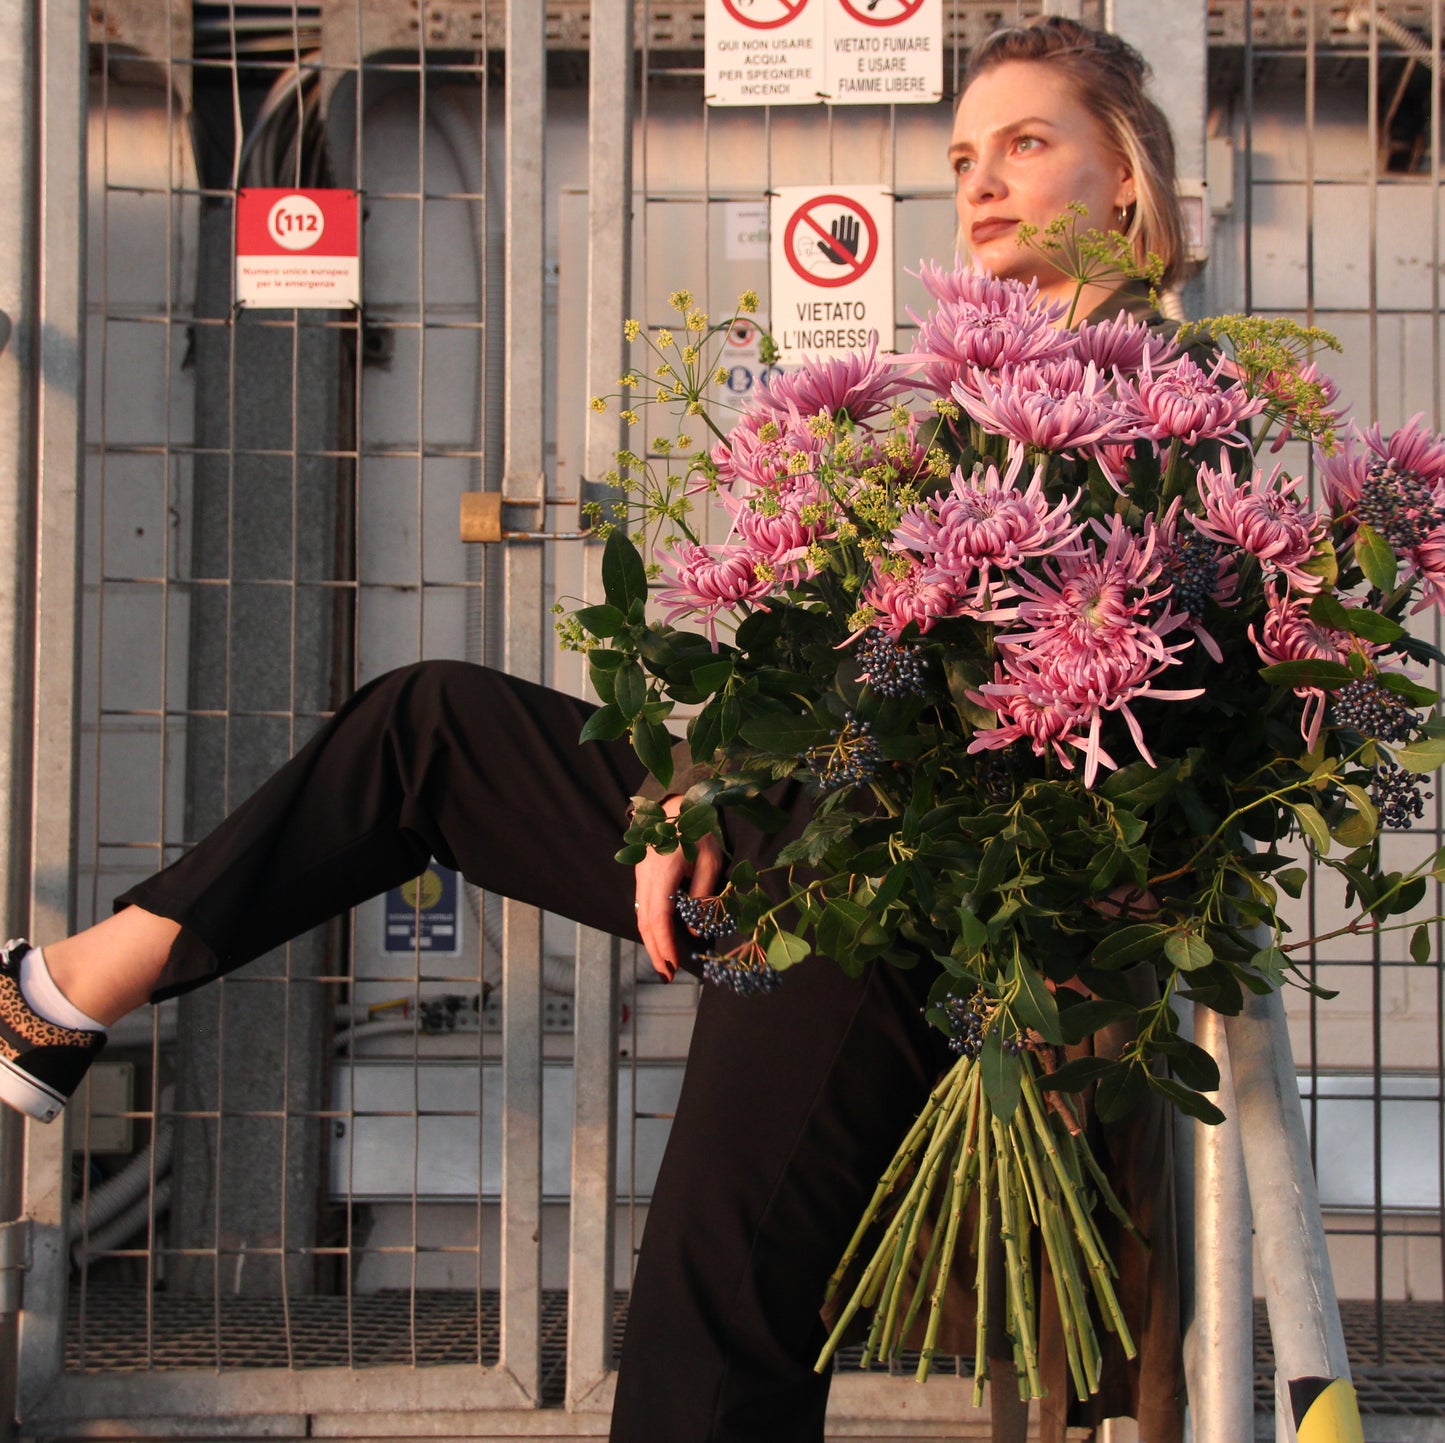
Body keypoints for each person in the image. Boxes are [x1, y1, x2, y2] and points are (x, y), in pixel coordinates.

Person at [0, 16, 1190, 1442]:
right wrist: (695, 781)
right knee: (430, 722)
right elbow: (854, 689)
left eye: (1026, 142)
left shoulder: (1165, 410)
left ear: (1123, 180)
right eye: (960, 155)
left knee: (711, 1331)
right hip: (823, 838)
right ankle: (62, 997)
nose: (982, 180)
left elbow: (1057, 739)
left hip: (918, 914)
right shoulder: (963, 407)